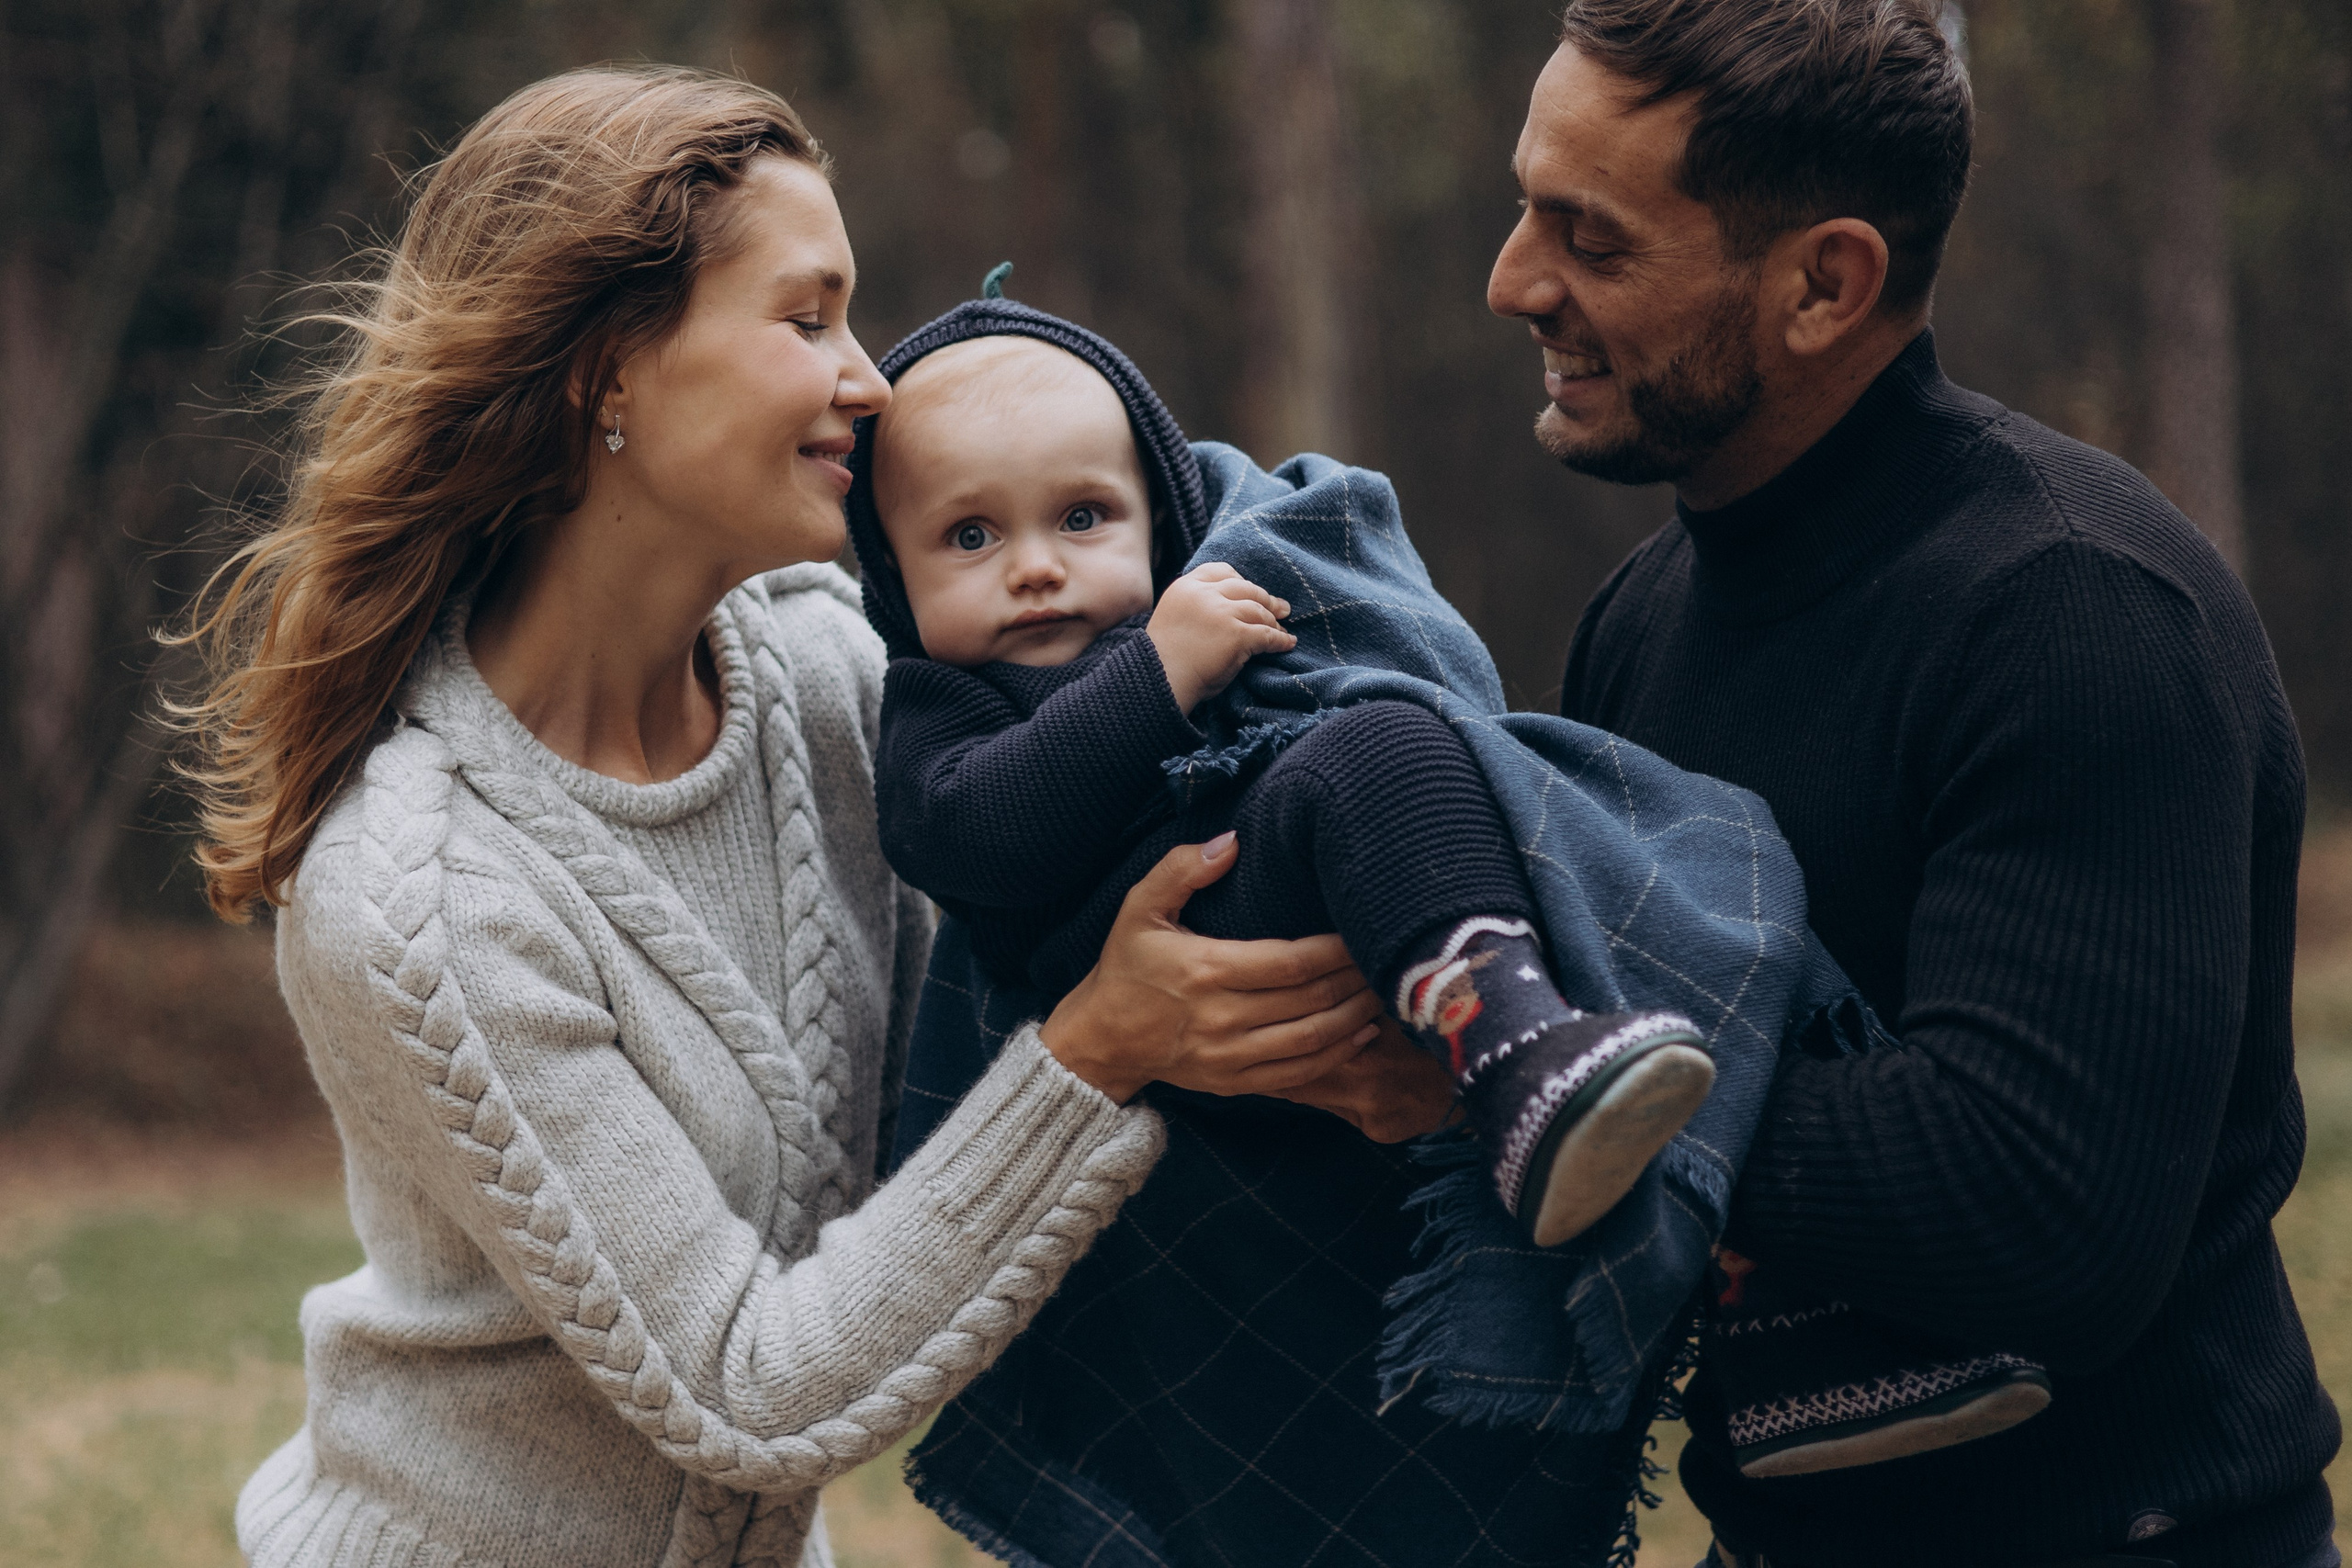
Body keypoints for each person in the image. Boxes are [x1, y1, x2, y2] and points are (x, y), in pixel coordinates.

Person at [178, 67, 1390, 1568]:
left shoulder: (830, 675)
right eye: (807, 317)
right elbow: (747, 1386)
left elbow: (1048, 960)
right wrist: (1107, 1042)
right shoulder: (424, 887)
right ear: (606, 371)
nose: (871, 380)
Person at [1487, 2, 2340, 1565]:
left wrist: (1528, 1083)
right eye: (1527, 205)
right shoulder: (1643, 622)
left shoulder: (2077, 614)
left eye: (1589, 239)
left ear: (1826, 282)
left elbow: (2036, 1209)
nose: (1515, 281)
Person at [861, 323, 1714, 1248]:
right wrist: (1157, 675)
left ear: (1156, 521)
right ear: (895, 580)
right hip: (1150, 946)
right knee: (1351, 764)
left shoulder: (1210, 588)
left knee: (1387, 740)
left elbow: (1373, 674)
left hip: (1293, 875)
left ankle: (1519, 1049)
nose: (1035, 567)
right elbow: (974, 832)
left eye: (1081, 518)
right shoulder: (939, 699)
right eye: (970, 535)